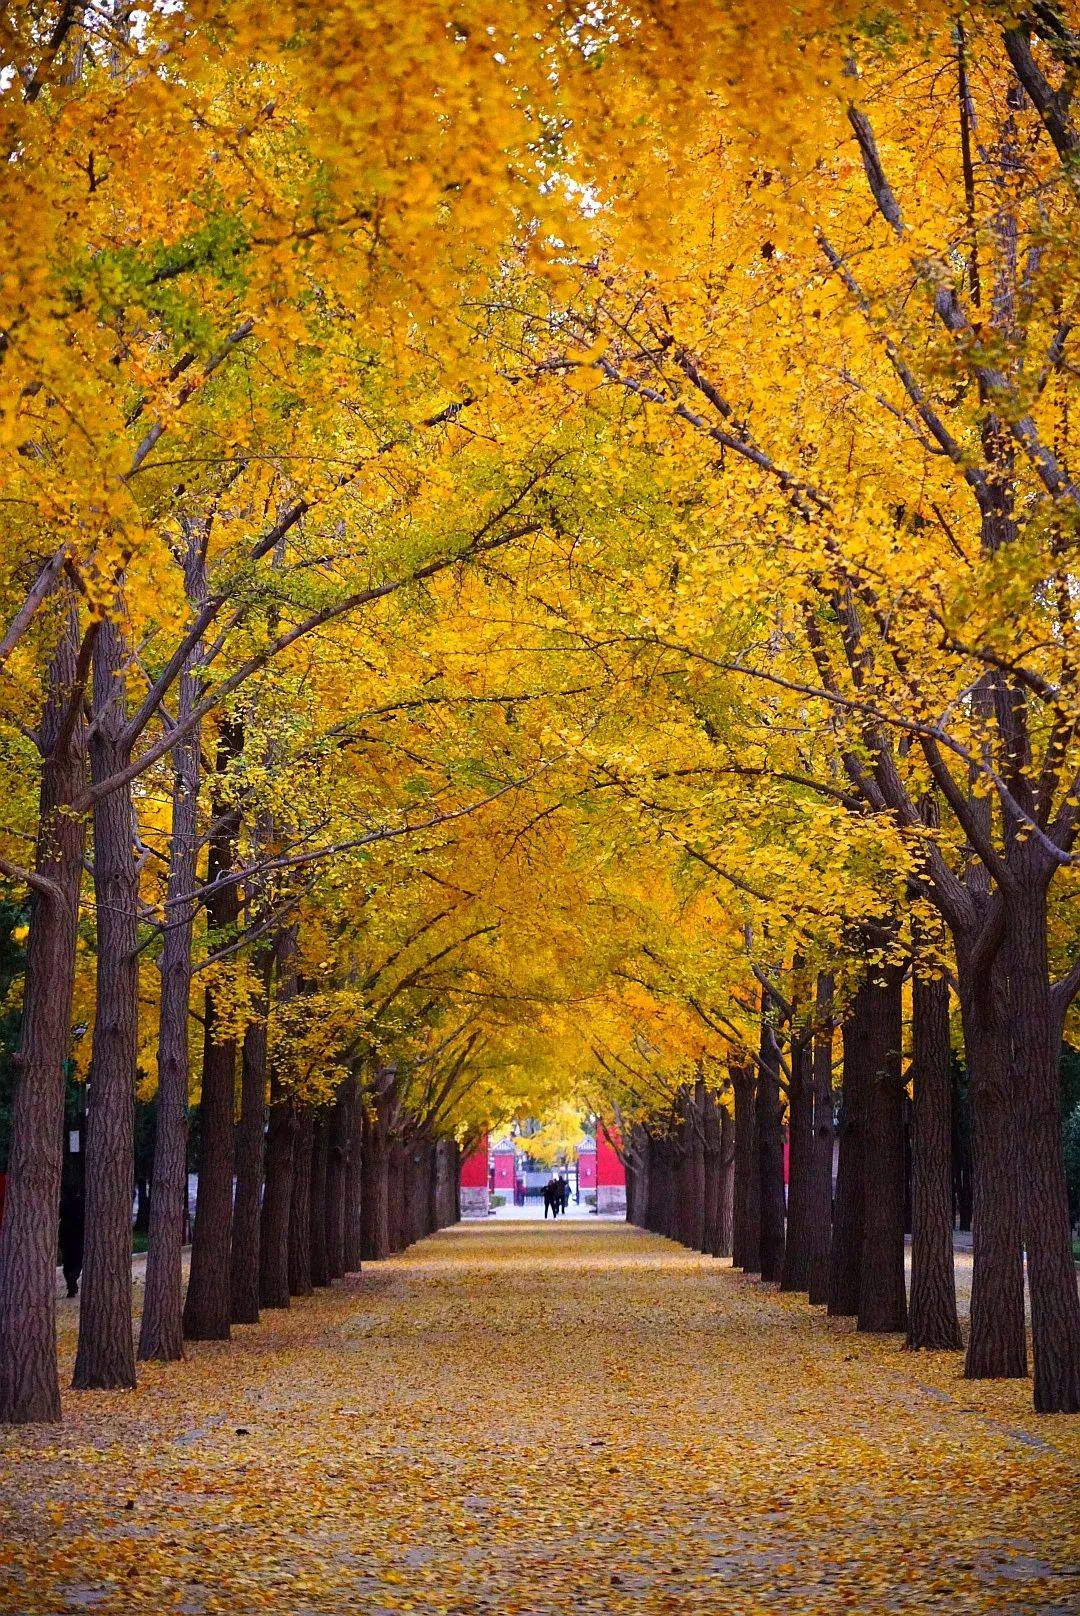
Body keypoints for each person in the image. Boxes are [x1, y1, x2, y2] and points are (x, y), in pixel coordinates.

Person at [58, 1180, 85, 1298]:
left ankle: (70, 1284)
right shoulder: (82, 1203)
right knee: (78, 1260)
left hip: (65, 1234)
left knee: (67, 1261)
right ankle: (73, 1277)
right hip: (79, 1234)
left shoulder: (62, 1203)